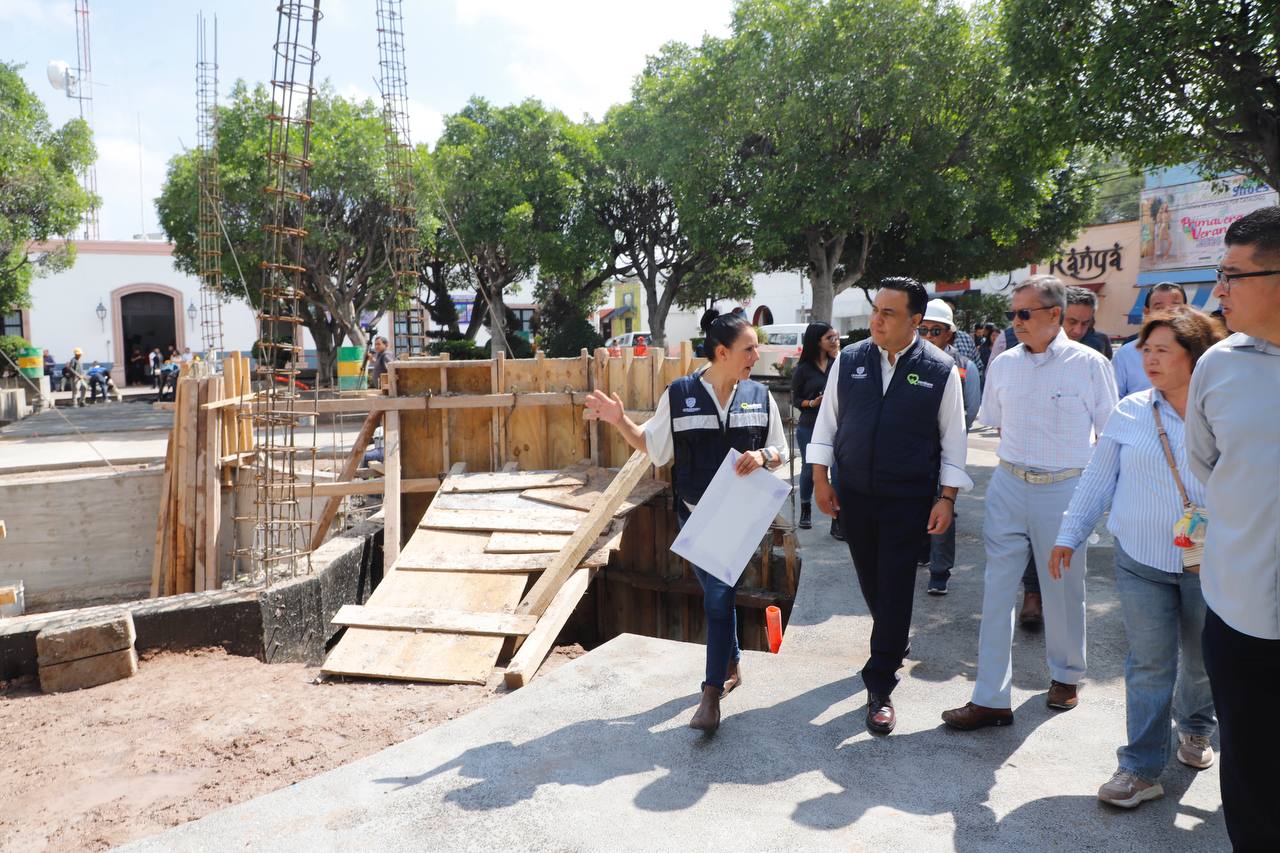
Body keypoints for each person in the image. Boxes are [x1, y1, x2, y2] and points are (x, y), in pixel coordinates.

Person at [584, 311, 789, 734]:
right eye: (749, 348)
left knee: (717, 596)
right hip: (693, 517)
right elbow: (653, 448)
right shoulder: (679, 395)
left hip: (738, 521)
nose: (756, 354)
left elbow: (781, 450)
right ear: (721, 352)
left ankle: (711, 693)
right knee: (720, 595)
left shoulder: (759, 395)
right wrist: (618, 419)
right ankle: (732, 663)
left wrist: (763, 457)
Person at [1051, 308, 1223, 809]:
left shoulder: (1222, 412)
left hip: (1209, 564)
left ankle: (1195, 729)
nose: (1149, 359)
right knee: (1149, 663)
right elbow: (1098, 480)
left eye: (1163, 350)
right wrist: (1070, 534)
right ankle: (1140, 767)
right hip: (1140, 561)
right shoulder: (1129, 411)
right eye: (1145, 349)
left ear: (1194, 357)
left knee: (1200, 660)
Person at [942, 275, 1117, 731]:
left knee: (1062, 589)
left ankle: (1065, 675)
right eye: (1013, 314)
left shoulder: (1090, 364)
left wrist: (1096, 500)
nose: (1016, 322)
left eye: (1025, 313)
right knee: (997, 591)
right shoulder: (1003, 364)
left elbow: (1111, 436)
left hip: (1064, 490)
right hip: (1009, 484)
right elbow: (991, 423)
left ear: (1054, 315)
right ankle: (990, 697)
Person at [808, 278, 972, 734]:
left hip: (908, 498)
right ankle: (892, 638)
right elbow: (827, 425)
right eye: (875, 311)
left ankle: (880, 684)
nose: (876, 320)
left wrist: (946, 498)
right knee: (873, 581)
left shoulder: (939, 369)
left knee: (896, 583)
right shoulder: (851, 359)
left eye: (888, 313)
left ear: (916, 321)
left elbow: (953, 442)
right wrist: (821, 478)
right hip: (854, 495)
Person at [1185, 206, 1280, 850]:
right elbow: (1205, 464)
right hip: (1242, 615)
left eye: (1233, 275)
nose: (1219, 292)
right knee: (1249, 781)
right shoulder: (1219, 366)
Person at [917, 299, 981, 595]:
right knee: (916, 506)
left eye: (935, 331)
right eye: (924, 330)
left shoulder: (964, 368)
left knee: (943, 508)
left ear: (949, 335)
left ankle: (939, 572)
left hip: (946, 450)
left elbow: (971, 408)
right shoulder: (909, 362)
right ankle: (921, 552)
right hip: (915, 451)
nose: (928, 336)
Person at [789, 322, 840, 532]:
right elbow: (794, 399)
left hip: (836, 426)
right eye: (830, 338)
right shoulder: (803, 369)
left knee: (837, 471)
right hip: (810, 425)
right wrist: (812, 403)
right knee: (811, 468)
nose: (835, 341)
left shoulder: (838, 364)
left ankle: (837, 519)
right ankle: (806, 508)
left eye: (836, 337)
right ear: (817, 341)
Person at [1113, 282, 1187, 397]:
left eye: (1175, 307)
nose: (1168, 313)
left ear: (1186, 310)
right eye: (1159, 308)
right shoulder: (1126, 354)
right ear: (1147, 312)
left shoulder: (1199, 351)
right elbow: (1114, 399)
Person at [1063, 286, 1114, 358]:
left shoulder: (1099, 345)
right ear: (1055, 316)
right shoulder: (1042, 347)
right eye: (1072, 322)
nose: (1078, 331)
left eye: (1085, 323)